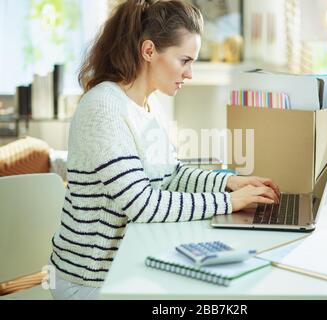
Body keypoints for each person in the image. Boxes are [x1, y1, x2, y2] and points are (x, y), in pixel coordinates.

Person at [49, 0, 280, 300]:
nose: (190, 73)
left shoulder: (149, 105)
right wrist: (229, 201)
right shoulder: (104, 108)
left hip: (126, 267)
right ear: (148, 51)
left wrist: (230, 182)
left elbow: (172, 175)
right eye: (184, 60)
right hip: (89, 282)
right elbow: (143, 204)